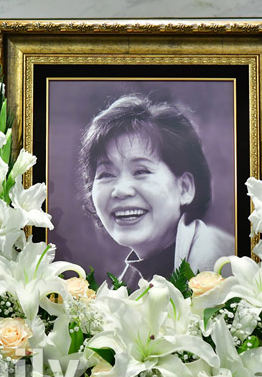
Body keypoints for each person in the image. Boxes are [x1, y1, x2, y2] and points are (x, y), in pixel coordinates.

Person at [78, 93, 234, 290]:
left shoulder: (218, 265)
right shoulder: (129, 284)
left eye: (141, 171)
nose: (121, 191)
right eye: (106, 174)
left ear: (184, 188)